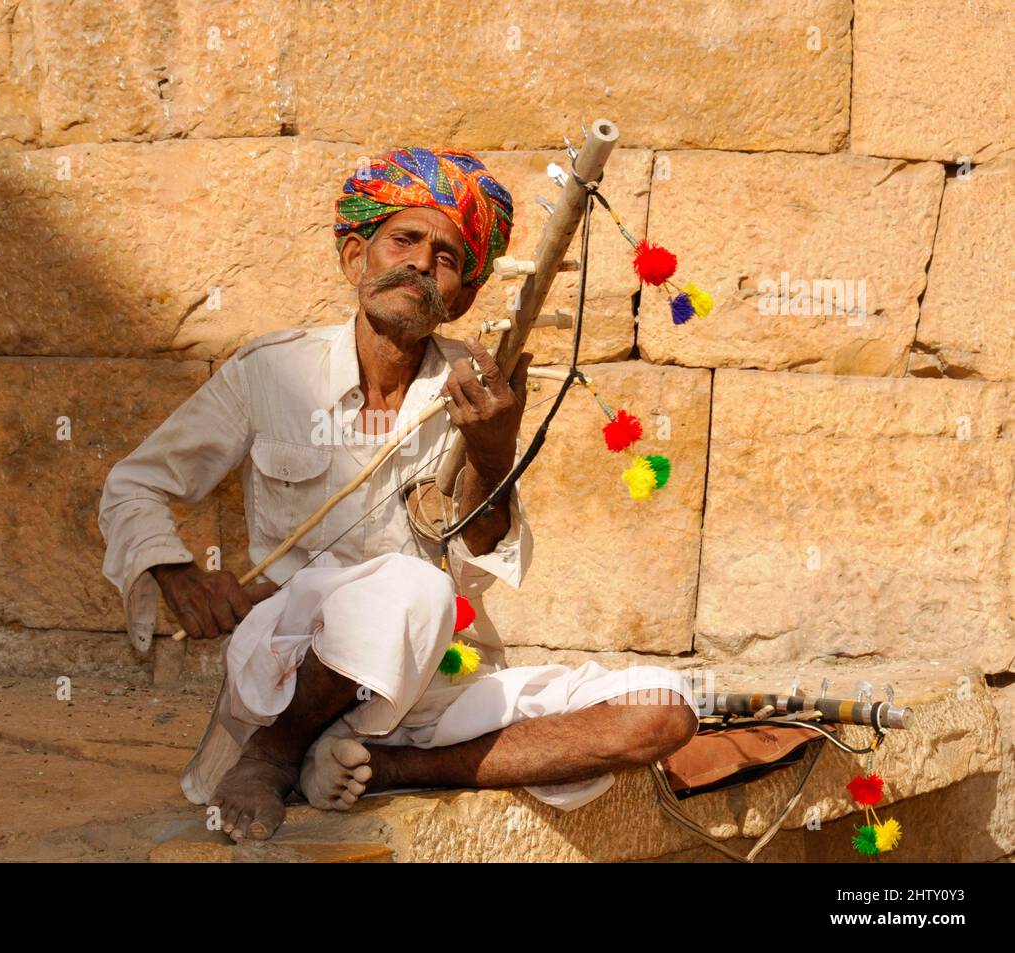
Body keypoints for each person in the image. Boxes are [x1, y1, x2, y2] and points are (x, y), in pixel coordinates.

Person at [99, 147, 699, 842]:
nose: (420, 262)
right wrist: (175, 574)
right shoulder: (272, 372)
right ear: (357, 258)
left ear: (465, 295)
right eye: (403, 240)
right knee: (415, 584)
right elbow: (134, 483)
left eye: (445, 256)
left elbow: (480, 552)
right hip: (294, 669)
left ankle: (387, 766)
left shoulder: (475, 385)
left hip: (428, 674)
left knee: (665, 709)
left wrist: (492, 448)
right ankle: (273, 753)